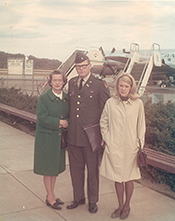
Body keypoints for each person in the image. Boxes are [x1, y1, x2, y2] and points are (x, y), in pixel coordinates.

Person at [67, 52, 110, 213]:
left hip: (92, 137)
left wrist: (104, 135)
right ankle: (78, 198)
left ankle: (93, 201)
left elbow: (106, 111)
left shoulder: (99, 84)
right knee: (75, 170)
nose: (81, 69)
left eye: (84, 66)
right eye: (78, 66)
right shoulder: (71, 83)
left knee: (93, 171)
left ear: (90, 66)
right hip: (73, 135)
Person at [100, 73, 146, 219]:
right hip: (115, 147)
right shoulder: (110, 103)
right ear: (117, 87)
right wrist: (108, 139)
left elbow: (141, 126)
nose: (123, 89)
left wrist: (139, 145)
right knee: (117, 178)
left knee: (128, 178)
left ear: (131, 87)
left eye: (126, 86)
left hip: (131, 147)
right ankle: (119, 206)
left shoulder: (138, 104)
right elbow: (103, 122)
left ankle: (127, 206)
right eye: (121, 86)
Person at [33, 70, 69, 210]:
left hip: (59, 140)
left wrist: (66, 123)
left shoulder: (66, 98)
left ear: (63, 81)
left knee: (54, 169)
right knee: (48, 170)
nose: (57, 83)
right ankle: (49, 197)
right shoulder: (44, 98)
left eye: (60, 80)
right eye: (55, 80)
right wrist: (60, 122)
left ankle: (53, 194)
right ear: (50, 82)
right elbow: (42, 118)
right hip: (47, 139)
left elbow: (69, 116)